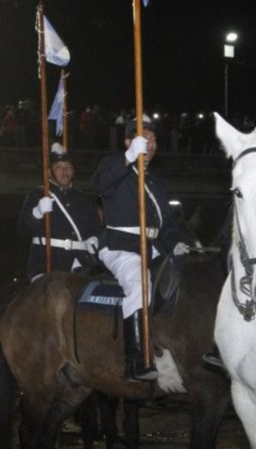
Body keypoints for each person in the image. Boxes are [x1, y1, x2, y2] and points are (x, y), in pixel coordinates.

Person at [93, 116, 185, 381]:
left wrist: (175, 244)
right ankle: (135, 359)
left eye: (153, 139)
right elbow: (99, 184)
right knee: (140, 283)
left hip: (154, 246)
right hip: (121, 247)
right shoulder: (115, 166)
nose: (150, 144)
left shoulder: (157, 182)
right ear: (128, 142)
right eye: (144, 139)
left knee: (183, 277)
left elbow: (165, 225)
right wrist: (128, 157)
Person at [18, 143, 102, 281]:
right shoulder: (38, 194)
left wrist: (95, 238)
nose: (65, 172)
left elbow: (96, 228)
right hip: (48, 263)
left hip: (82, 262)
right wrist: (37, 212)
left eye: (68, 167)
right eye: (59, 167)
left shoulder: (84, 199)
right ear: (49, 172)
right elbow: (23, 228)